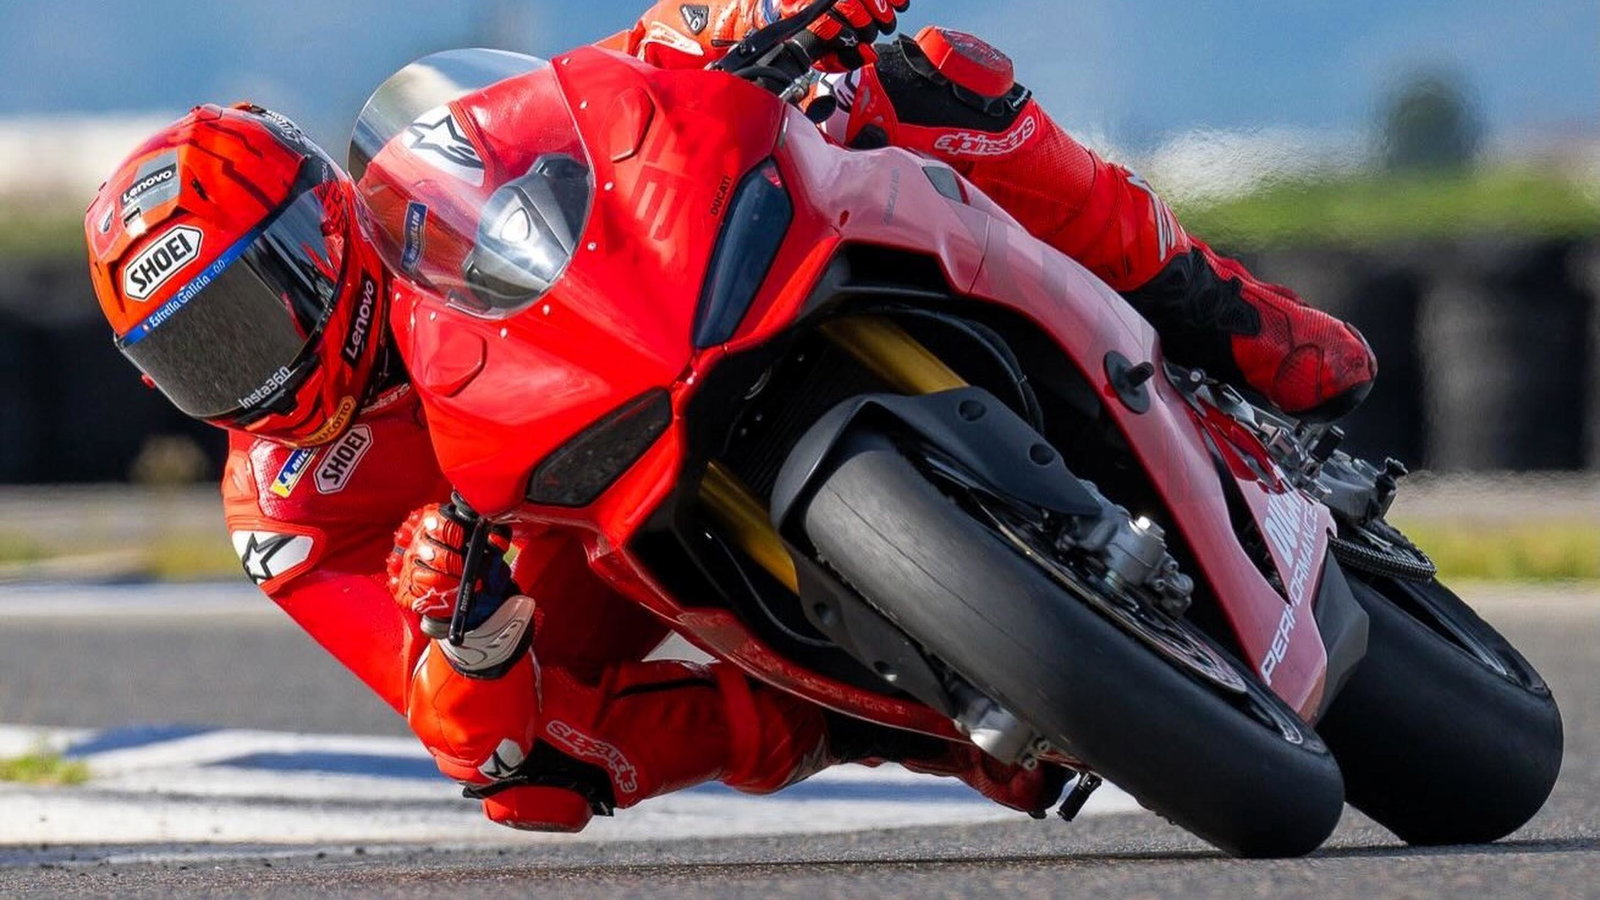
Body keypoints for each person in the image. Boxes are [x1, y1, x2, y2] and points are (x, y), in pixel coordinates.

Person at [83, 1, 1375, 832]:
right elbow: (441, 717)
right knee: (521, 775)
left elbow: (613, 76)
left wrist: (754, 18)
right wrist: (465, 638)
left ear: (320, 229)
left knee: (919, 75)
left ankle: (1234, 317)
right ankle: (903, 721)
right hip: (564, 527)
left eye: (248, 315)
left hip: (657, 316)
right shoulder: (286, 507)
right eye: (201, 356)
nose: (249, 372)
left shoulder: (440, 173)